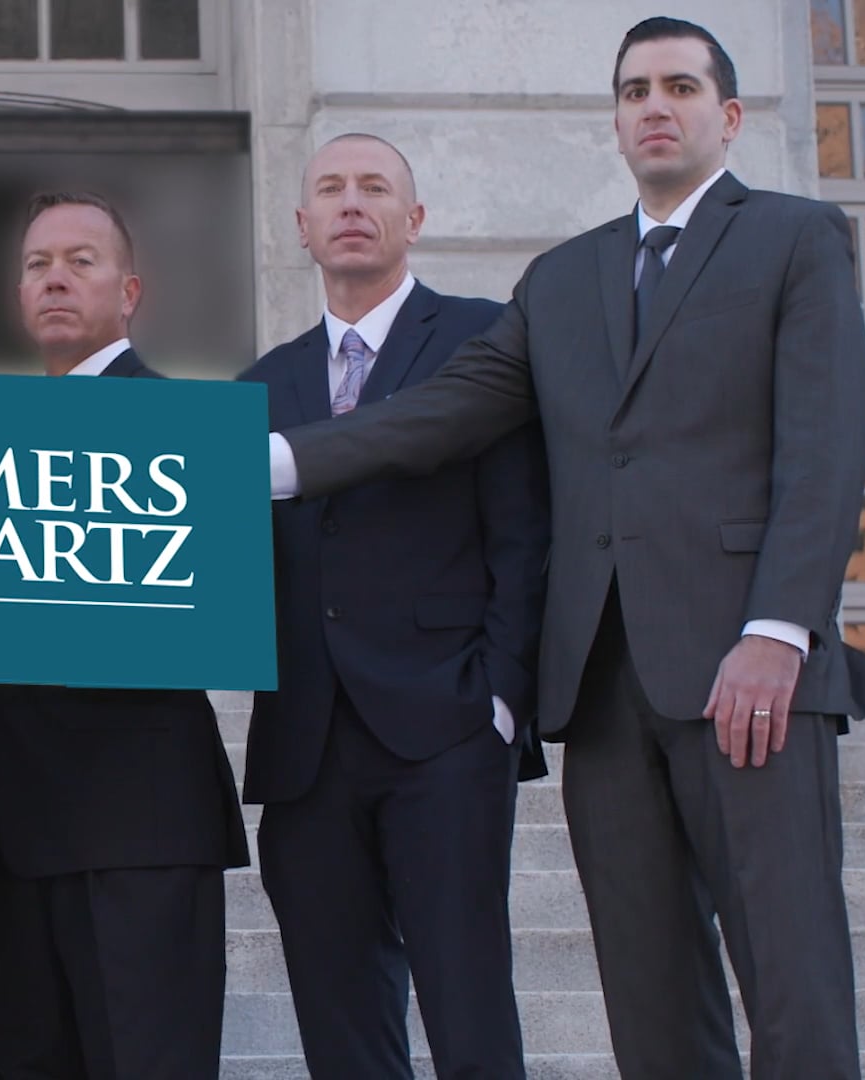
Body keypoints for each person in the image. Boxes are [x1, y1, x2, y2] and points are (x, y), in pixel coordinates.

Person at [272, 19, 865, 1080]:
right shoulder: (563, 279)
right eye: (633, 90)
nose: (654, 105)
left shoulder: (796, 236)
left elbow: (827, 442)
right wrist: (281, 464)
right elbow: (451, 409)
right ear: (614, 121)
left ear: (728, 116)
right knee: (650, 1002)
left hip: (751, 672)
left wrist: (778, 628)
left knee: (791, 989)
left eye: (679, 86)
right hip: (604, 690)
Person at [237, 133, 548, 1079]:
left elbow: (524, 532)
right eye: (329, 189)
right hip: (306, 748)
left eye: (376, 188)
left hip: (445, 731)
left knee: (468, 1010)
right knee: (342, 1024)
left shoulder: (481, 339)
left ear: (414, 220)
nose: (351, 203)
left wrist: (500, 695)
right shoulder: (261, 382)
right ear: (301, 227)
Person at [0, 192, 250, 1080]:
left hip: (140, 828)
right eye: (37, 264)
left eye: (80, 260)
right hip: (6, 830)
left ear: (129, 292)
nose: (55, 277)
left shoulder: (194, 428)